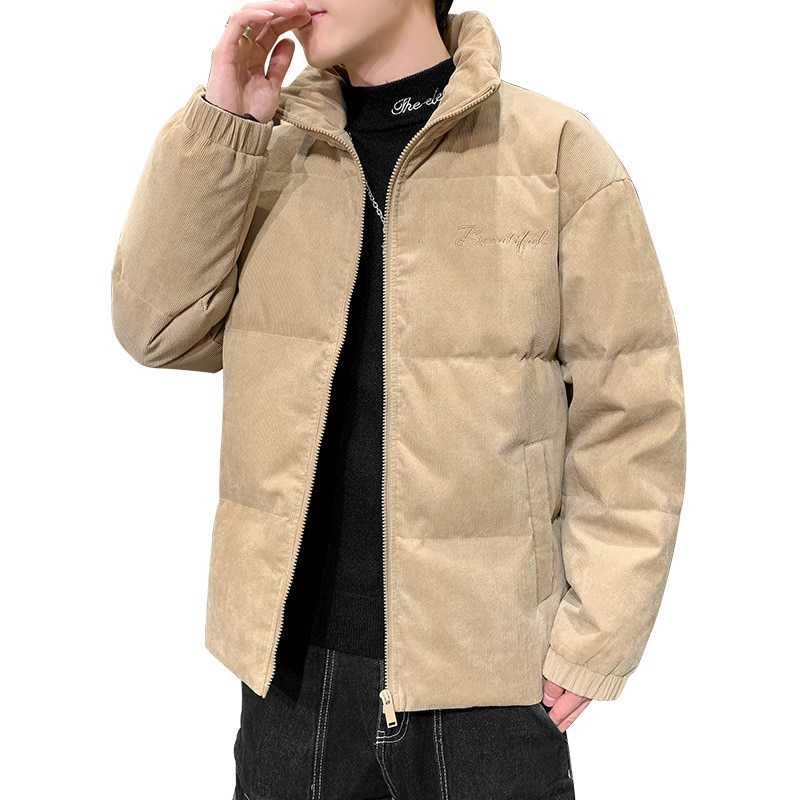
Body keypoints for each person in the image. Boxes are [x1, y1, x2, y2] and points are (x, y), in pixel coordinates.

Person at [111, 1, 687, 798]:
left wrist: (597, 635)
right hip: (291, 684)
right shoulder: (264, 151)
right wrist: (224, 122)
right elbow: (156, 330)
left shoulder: (554, 153)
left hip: (487, 687)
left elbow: (633, 411)